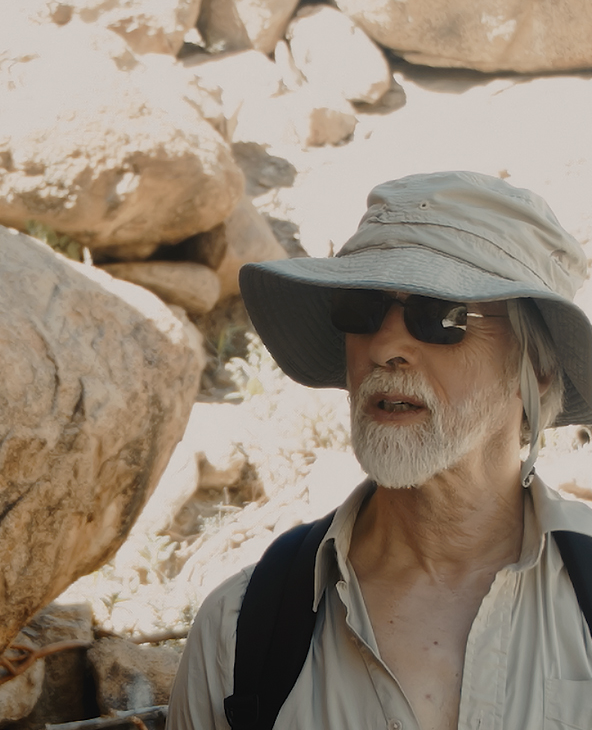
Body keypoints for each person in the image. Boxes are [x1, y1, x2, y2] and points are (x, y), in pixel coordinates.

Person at [168, 171, 592, 729]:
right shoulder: (243, 629)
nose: (387, 346)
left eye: (441, 317)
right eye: (361, 310)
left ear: (536, 371)